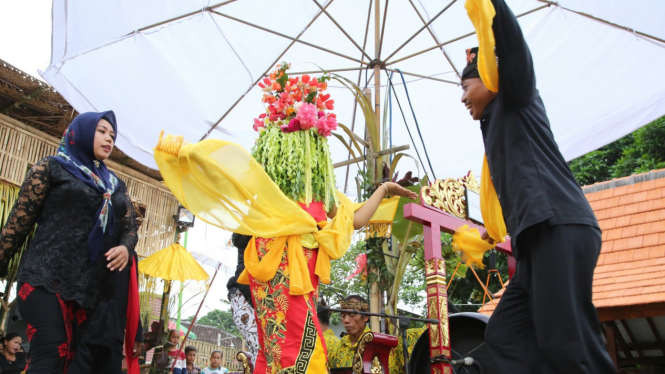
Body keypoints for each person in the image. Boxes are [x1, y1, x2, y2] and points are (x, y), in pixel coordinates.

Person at [153, 65, 417, 374]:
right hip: (280, 271)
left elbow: (355, 219)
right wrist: (188, 156)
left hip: (287, 270)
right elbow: (225, 173)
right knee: (290, 346)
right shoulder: (270, 193)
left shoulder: (320, 194)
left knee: (282, 348)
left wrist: (384, 188)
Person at [459, 0, 616, 373]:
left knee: (566, 339)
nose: (462, 98)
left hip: (558, 224)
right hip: (533, 240)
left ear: (489, 75)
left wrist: (493, 7)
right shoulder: (495, 125)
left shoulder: (517, 98)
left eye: (465, 85)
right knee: (506, 335)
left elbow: (511, 47)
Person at [0, 111, 137, 372]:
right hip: (44, 276)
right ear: (82, 132)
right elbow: (18, 223)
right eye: (101, 131)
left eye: (112, 134)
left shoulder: (116, 186)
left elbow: (130, 228)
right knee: (52, 353)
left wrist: (125, 247)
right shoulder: (51, 167)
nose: (109, 138)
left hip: (88, 289)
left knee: (69, 363)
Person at [67, 251, 144, 373]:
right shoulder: (92, 240)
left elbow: (132, 296)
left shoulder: (130, 255)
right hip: (85, 331)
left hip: (113, 333)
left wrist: (137, 334)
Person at [225, 233, 259, 364]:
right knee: (260, 349)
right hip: (245, 295)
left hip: (263, 296)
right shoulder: (250, 226)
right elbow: (238, 239)